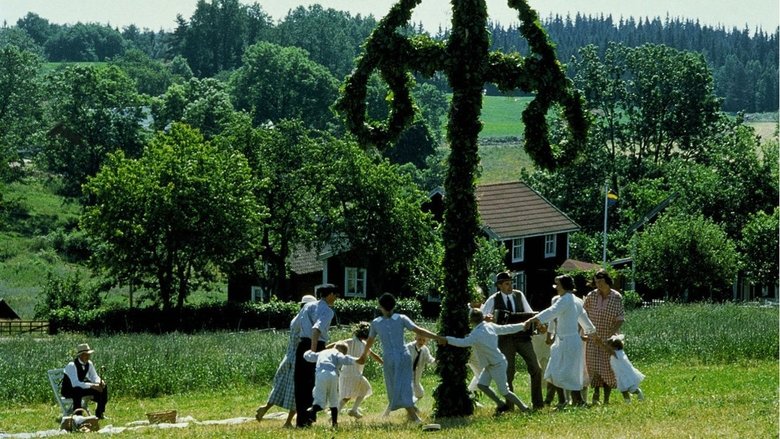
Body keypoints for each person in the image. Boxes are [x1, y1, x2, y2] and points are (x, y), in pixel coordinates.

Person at [357, 293, 441, 424]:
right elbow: (419, 330)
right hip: (402, 356)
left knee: (395, 386)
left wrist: (363, 355)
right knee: (403, 386)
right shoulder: (401, 318)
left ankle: (414, 416)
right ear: (394, 306)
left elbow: (369, 341)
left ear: (380, 307)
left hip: (390, 357)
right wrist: (437, 337)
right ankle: (413, 414)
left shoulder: (376, 323)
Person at [439, 308, 531, 415]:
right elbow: (506, 328)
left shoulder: (476, 334)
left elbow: (462, 342)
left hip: (497, 364)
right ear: (482, 317)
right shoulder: (489, 326)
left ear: (471, 321)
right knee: (482, 385)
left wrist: (446, 339)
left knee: (504, 391)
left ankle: (524, 408)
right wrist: (522, 325)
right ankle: (501, 404)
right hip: (490, 364)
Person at [525, 274, 596, 407]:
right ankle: (567, 400)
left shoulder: (566, 300)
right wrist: (591, 331)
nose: (556, 287)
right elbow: (585, 321)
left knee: (565, 372)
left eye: (557, 284)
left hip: (568, 341)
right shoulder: (576, 300)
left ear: (563, 285)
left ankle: (576, 401)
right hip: (565, 341)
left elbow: (552, 311)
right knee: (555, 371)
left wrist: (533, 319)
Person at [481, 271, 543, 409]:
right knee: (508, 373)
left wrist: (538, 323)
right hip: (505, 340)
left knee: (536, 368)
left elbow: (530, 312)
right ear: (500, 286)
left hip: (523, 338)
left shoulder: (519, 295)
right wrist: (487, 318)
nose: (510, 286)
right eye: (507, 284)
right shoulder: (493, 299)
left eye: (511, 283)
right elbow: (482, 317)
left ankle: (538, 404)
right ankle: (510, 406)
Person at [255, 294, 317, 427]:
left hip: (289, 357)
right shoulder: (304, 321)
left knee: (282, 388)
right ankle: (288, 421)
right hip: (297, 359)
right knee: (297, 393)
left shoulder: (296, 319)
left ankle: (266, 408)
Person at [295, 283, 339, 427]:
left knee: (300, 383)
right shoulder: (327, 311)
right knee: (313, 382)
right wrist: (313, 353)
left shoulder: (308, 306)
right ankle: (308, 418)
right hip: (315, 345)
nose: (336, 298)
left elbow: (296, 325)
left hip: (302, 344)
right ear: (330, 294)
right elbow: (316, 330)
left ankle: (301, 419)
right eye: (335, 295)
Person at [583, 269, 625, 404]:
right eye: (596, 282)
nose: (598, 285)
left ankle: (606, 398)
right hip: (593, 337)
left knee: (607, 367)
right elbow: (583, 315)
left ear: (607, 281)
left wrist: (611, 334)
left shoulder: (616, 296)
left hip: (608, 337)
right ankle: (595, 395)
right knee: (593, 367)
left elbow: (620, 318)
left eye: (600, 281)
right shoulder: (591, 296)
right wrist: (583, 332)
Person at [303, 342, 365, 427]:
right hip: (332, 375)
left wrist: (308, 352)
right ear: (341, 350)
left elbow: (308, 356)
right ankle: (334, 423)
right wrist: (357, 360)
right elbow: (345, 359)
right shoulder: (337, 353)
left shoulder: (322, 352)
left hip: (320, 374)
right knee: (333, 399)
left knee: (319, 398)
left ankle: (312, 412)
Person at [331, 321, 383, 419]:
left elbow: (335, 344)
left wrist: (324, 349)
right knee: (365, 388)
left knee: (347, 396)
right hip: (354, 373)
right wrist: (384, 363)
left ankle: (341, 413)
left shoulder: (350, 341)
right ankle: (351, 410)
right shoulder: (363, 344)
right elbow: (374, 356)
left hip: (346, 372)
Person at [61, 343, 108, 419]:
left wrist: (100, 382)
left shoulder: (89, 364)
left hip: (81, 387)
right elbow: (75, 383)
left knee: (104, 387)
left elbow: (94, 376)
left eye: (89, 354)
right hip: (69, 390)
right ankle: (78, 416)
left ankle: (100, 413)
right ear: (80, 355)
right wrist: (92, 386)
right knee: (77, 390)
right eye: (86, 354)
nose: (88, 356)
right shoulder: (71, 365)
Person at [599, 334, 645, 403]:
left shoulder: (617, 353)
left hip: (624, 374)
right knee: (624, 390)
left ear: (615, 347)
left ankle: (638, 393)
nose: (609, 347)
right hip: (621, 374)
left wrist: (600, 343)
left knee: (630, 389)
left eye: (610, 346)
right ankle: (628, 401)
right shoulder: (619, 352)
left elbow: (607, 350)